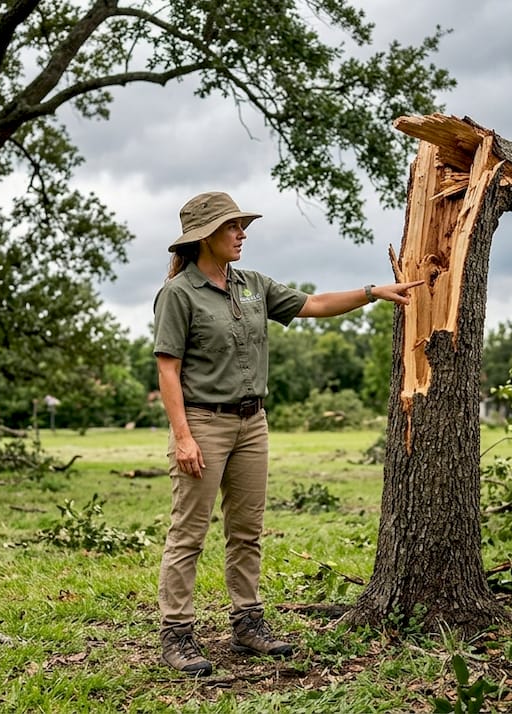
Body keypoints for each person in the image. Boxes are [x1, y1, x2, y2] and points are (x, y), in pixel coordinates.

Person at [153, 191, 422, 676]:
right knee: (189, 533)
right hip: (204, 423)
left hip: (253, 423)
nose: (242, 234)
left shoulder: (253, 285)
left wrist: (370, 293)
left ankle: (247, 623)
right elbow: (167, 370)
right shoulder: (179, 294)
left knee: (247, 530)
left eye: (240, 225)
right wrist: (184, 436)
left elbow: (314, 304)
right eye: (232, 227)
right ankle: (177, 633)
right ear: (204, 237)